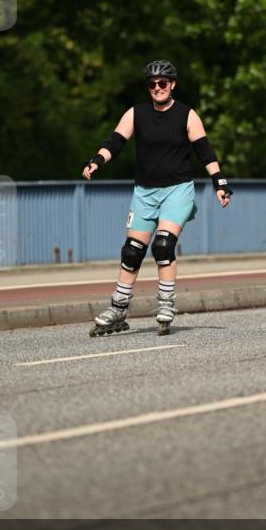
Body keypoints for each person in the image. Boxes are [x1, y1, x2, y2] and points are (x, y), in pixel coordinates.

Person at [82, 60, 232, 335]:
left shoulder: (187, 115)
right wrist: (97, 161)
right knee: (132, 250)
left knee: (163, 245)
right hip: (145, 191)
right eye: (152, 84)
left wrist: (219, 182)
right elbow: (115, 141)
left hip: (178, 190)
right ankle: (118, 308)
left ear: (172, 85)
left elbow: (205, 151)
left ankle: (165, 304)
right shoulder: (135, 114)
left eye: (163, 83)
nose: (157, 88)